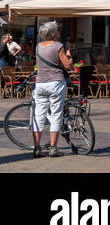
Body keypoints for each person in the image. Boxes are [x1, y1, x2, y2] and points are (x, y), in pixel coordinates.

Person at [31, 21, 73, 159]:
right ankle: (53, 148)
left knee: (39, 116)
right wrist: (69, 54)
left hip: (41, 83)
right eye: (58, 31)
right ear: (54, 35)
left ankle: (37, 148)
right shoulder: (58, 46)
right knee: (56, 114)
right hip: (55, 83)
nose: (59, 33)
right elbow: (67, 65)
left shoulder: (38, 47)